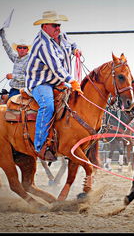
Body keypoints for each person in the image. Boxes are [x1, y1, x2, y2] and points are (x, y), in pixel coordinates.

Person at [25, 10, 82, 160]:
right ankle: (40, 145)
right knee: (48, 106)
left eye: (58, 25)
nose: (58, 28)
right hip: (40, 82)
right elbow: (55, 66)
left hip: (58, 81)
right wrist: (71, 80)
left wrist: (75, 49)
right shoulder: (42, 44)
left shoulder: (61, 36)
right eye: (54, 25)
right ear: (45, 27)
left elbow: (70, 44)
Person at [0, 28, 31, 98]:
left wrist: (13, 76)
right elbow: (8, 50)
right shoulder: (16, 58)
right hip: (14, 90)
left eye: (24, 48)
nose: (22, 49)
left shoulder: (30, 61)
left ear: (27, 50)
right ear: (17, 49)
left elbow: (29, 77)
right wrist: (2, 36)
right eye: (20, 47)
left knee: (10, 107)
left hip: (25, 90)